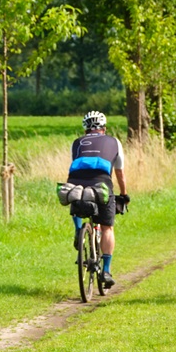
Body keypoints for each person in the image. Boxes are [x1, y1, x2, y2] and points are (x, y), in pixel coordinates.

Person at [68, 110, 128, 288]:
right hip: (101, 184)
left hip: (75, 182)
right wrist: (124, 195)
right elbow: (120, 173)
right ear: (104, 128)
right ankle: (107, 271)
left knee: (76, 197)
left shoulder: (77, 142)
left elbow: (76, 166)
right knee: (107, 227)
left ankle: (79, 229)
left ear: (85, 129)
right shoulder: (114, 142)